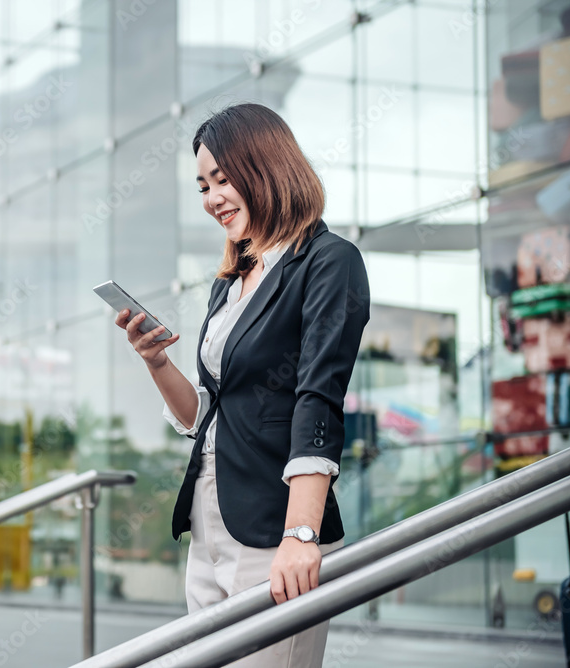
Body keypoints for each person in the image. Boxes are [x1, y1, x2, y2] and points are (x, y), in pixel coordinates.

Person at [114, 102, 370, 667]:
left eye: (223, 180)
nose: (212, 199)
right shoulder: (231, 282)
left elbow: (318, 398)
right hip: (211, 521)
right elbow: (211, 412)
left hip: (276, 524)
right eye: (203, 186)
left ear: (266, 168)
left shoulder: (329, 262)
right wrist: (157, 363)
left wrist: (300, 534)